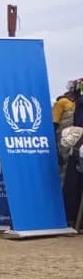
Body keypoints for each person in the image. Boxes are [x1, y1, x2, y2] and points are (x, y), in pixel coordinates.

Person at [62, 80, 83, 227]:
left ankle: (74, 220)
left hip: (77, 148)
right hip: (77, 148)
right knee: (73, 185)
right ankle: (73, 220)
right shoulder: (77, 103)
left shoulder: (79, 103)